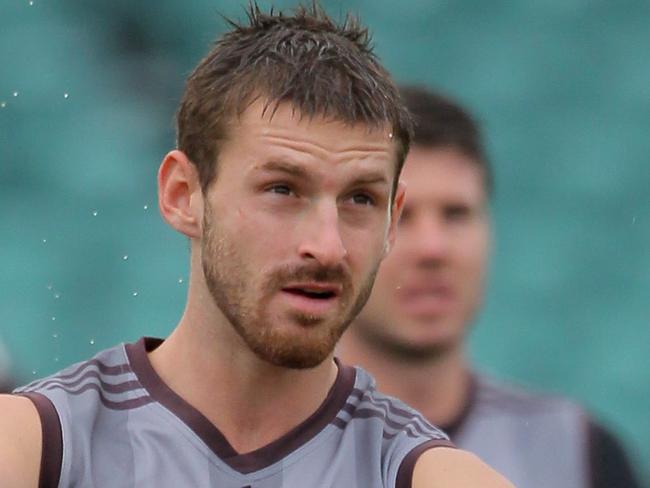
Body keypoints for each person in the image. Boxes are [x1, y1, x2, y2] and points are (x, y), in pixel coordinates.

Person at [0, 6, 513, 488]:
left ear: (390, 222)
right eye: (283, 189)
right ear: (182, 195)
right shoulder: (37, 449)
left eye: (361, 198)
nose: (328, 246)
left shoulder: (432, 477)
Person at [338, 85, 641, 488]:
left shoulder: (581, 454)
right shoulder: (267, 448)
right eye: (401, 216)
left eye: (456, 214)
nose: (434, 248)